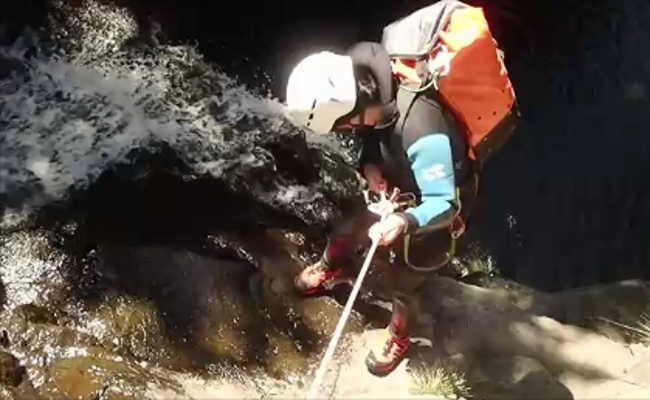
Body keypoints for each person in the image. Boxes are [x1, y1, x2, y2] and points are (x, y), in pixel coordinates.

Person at [284, 41, 479, 377]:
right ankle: (329, 267)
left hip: (431, 209)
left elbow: (444, 203)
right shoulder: (374, 88)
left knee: (406, 282)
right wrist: (371, 168)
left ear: (355, 109)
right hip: (397, 184)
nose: (345, 130)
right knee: (347, 230)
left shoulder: (422, 129)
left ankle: (398, 337)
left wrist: (404, 221)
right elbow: (373, 141)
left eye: (344, 125)